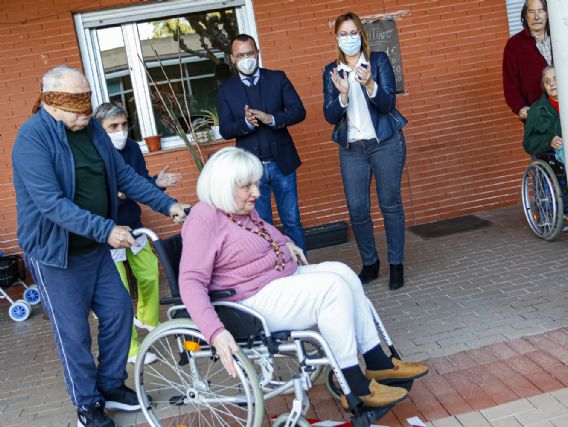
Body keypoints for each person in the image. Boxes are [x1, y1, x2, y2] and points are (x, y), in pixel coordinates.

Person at [179, 147, 429, 410]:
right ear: (223, 187)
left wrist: (287, 243)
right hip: (250, 303)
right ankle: (353, 382)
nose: (257, 192)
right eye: (247, 186)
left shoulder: (238, 209)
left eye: (255, 183)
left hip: (278, 281)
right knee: (331, 290)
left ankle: (377, 361)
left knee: (342, 272)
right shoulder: (204, 218)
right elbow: (191, 281)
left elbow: (265, 233)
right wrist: (215, 332)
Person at [12, 66, 190, 427]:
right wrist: (106, 229)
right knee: (74, 333)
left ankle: (110, 386)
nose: (86, 111)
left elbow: (124, 175)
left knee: (119, 312)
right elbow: (51, 203)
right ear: (52, 103)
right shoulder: (32, 138)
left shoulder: (90, 128)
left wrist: (167, 204)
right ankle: (88, 406)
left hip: (94, 248)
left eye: (87, 100)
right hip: (56, 254)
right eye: (76, 104)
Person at [322, 12, 409, 290]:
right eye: (343, 34)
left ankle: (396, 265)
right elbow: (330, 115)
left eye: (353, 33)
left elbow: (387, 104)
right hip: (353, 148)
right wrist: (343, 95)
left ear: (361, 34)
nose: (349, 39)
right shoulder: (332, 71)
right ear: (336, 38)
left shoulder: (379, 61)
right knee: (357, 209)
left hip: (384, 143)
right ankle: (370, 263)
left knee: (390, 204)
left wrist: (370, 84)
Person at [95, 102, 182, 366]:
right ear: (100, 130)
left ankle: (146, 319)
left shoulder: (132, 148)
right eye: (113, 127)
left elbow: (139, 181)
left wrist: (155, 183)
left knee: (149, 271)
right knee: (118, 293)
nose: (120, 131)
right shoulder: (95, 152)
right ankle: (130, 348)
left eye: (123, 125)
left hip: (132, 223)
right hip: (106, 231)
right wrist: (115, 194)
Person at [217, 34, 307, 252]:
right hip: (251, 172)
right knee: (262, 224)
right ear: (232, 58)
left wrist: (272, 119)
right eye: (240, 55)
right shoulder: (226, 90)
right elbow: (225, 129)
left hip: (282, 163)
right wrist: (246, 124)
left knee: (292, 220)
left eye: (250, 53)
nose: (246, 59)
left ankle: (303, 269)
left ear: (257, 53)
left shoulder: (277, 78)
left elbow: (299, 111)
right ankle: (273, 271)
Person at [503, 0, 553, 120]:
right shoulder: (514, 46)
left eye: (541, 10)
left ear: (547, 13)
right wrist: (520, 108)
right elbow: (510, 84)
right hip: (538, 117)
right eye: (531, 11)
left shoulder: (560, 37)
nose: (537, 16)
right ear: (525, 16)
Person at [523, 66, 563, 161]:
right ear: (544, 87)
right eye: (547, 81)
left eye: (555, 79)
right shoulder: (537, 110)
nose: (552, 84)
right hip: (557, 154)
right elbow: (528, 142)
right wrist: (549, 140)